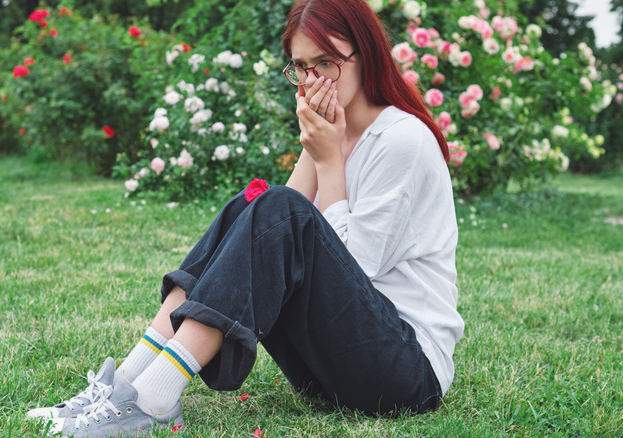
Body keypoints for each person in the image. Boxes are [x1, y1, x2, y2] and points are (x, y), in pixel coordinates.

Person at [26, 0, 464, 435]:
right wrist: (318, 150)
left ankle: (154, 398)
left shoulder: (401, 139)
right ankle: (126, 384)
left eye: (325, 64)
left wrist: (328, 161)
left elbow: (354, 268)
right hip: (335, 368)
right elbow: (275, 238)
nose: (312, 82)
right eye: (300, 67)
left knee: (274, 207)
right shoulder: (335, 130)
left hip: (406, 373)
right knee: (251, 204)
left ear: (364, 55)